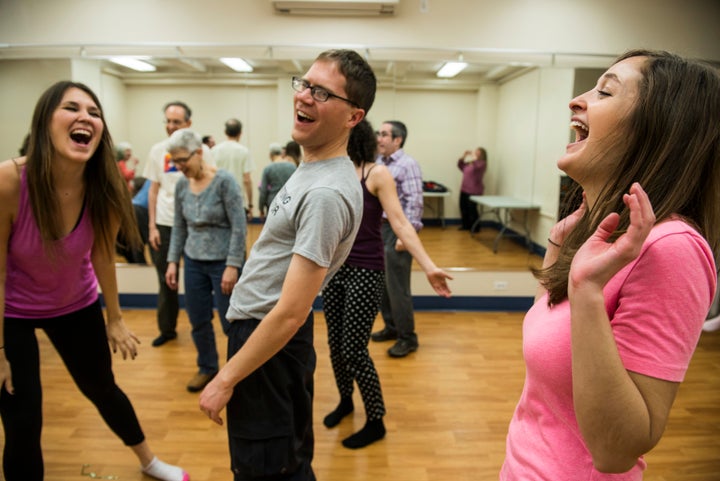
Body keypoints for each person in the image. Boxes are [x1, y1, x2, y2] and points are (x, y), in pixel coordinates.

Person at [501, 49, 720, 480]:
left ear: (659, 129)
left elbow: (615, 452)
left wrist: (586, 290)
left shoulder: (670, 247)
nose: (577, 100)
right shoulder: (583, 230)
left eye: (604, 91)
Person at [198, 48, 375, 481]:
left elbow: (293, 310)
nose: (305, 97)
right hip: (262, 334)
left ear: (354, 116)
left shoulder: (326, 194)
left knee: (269, 468)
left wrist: (224, 379)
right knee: (284, 461)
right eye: (304, 84)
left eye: (322, 92)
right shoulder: (311, 166)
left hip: (268, 340)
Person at [0, 81, 189, 481]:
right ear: (44, 122)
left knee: (103, 388)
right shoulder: (9, 183)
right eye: (71, 108)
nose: (85, 117)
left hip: (75, 303)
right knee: (22, 419)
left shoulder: (104, 185)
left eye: (94, 112)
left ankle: (149, 461)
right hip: (11, 312)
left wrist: (115, 318)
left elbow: (103, 253)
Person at [322, 118, 453, 449]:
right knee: (336, 347)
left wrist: (429, 266)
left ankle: (376, 420)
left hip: (367, 270)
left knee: (354, 349)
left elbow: (402, 223)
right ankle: (345, 401)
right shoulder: (333, 172)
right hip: (335, 269)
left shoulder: (377, 174)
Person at [164, 128, 247, 393]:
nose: (179, 166)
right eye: (174, 161)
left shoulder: (225, 181)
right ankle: (207, 367)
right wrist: (172, 261)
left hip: (223, 262)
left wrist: (233, 265)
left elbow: (239, 225)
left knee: (230, 322)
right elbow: (179, 226)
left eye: (183, 160)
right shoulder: (180, 185)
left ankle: (238, 373)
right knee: (198, 318)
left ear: (199, 153)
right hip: (193, 261)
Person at [143, 101, 196, 347]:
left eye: (176, 121)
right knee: (166, 280)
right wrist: (152, 226)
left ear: (188, 124)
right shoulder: (157, 150)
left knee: (198, 280)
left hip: (194, 223)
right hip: (165, 223)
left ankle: (201, 329)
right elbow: (153, 191)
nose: (171, 126)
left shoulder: (200, 150)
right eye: (168, 121)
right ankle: (167, 329)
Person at [370, 120, 425, 358]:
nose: (379, 138)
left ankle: (407, 337)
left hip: (397, 230)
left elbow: (414, 202)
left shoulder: (407, 164)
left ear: (397, 140)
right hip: (378, 229)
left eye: (384, 134)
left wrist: (406, 235)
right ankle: (392, 327)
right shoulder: (379, 162)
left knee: (398, 286)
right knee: (383, 284)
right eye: (379, 134)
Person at [211, 118, 254, 220]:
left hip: (217, 201)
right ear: (240, 133)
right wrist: (250, 205)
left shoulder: (214, 151)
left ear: (225, 132)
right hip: (237, 201)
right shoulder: (244, 151)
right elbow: (247, 180)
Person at [258, 142, 296, 219]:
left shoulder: (268, 169)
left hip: (273, 203)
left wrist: (261, 208)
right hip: (289, 202)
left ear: (270, 155)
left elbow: (263, 191)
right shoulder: (292, 167)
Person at [457, 147, 487, 231]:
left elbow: (477, 166)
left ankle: (475, 227)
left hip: (474, 191)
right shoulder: (470, 163)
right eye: (475, 151)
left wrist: (474, 157)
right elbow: (460, 165)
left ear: (482, 155)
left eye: (478, 152)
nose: (475, 153)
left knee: (472, 210)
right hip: (464, 189)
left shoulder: (482, 164)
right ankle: (465, 225)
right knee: (463, 208)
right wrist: (464, 156)